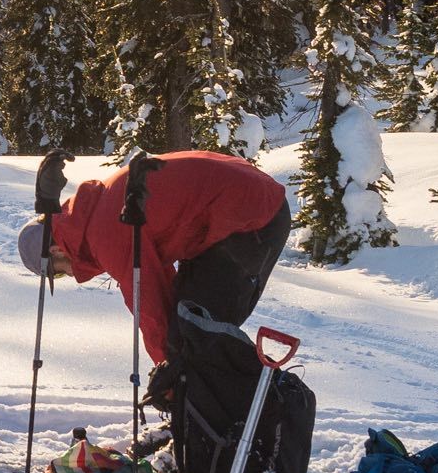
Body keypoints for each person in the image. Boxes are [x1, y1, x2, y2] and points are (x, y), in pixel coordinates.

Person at [21, 150, 292, 401]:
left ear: (56, 249)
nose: (68, 274)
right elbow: (161, 284)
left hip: (253, 215)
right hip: (238, 206)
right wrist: (171, 363)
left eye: (57, 273)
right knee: (189, 327)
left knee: (200, 332)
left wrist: (168, 373)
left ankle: (236, 420)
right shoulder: (93, 215)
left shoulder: (105, 235)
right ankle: (199, 419)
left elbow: (149, 306)